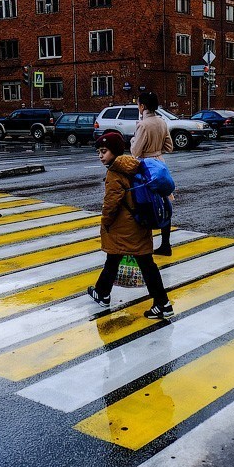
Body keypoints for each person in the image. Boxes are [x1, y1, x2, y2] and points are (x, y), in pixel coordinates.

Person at [87, 131, 174, 320]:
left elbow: (111, 202)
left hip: (124, 226)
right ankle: (102, 293)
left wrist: (105, 222)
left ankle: (163, 303)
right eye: (99, 152)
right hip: (139, 221)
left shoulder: (114, 172)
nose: (101, 156)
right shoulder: (132, 165)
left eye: (104, 151)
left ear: (115, 152)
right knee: (116, 259)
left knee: (143, 264)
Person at [130, 91, 174, 256]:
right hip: (160, 165)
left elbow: (135, 151)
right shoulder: (162, 122)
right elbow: (169, 147)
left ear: (142, 106)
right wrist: (156, 150)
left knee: (145, 203)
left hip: (145, 167)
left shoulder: (142, 125)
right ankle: (166, 244)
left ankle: (143, 244)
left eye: (138, 104)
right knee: (164, 203)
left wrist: (134, 139)